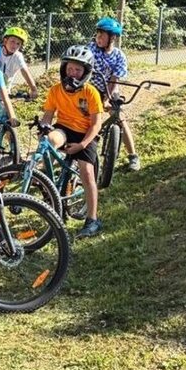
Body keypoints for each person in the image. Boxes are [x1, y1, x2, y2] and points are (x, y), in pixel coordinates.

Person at [41, 46, 105, 238]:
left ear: (85, 72)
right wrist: (44, 128)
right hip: (64, 129)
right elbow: (48, 116)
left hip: (85, 134)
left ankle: (92, 219)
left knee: (87, 174)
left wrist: (82, 145)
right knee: (49, 141)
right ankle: (48, 185)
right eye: (69, 69)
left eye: (77, 70)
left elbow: (96, 125)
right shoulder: (55, 90)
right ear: (63, 68)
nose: (72, 73)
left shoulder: (91, 92)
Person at [90, 16, 140, 170]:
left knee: (120, 118)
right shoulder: (90, 49)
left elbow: (114, 79)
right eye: (97, 35)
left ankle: (133, 156)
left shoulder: (119, 56)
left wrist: (107, 98)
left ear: (112, 38)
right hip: (90, 89)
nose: (98, 39)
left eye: (102, 36)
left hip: (110, 89)